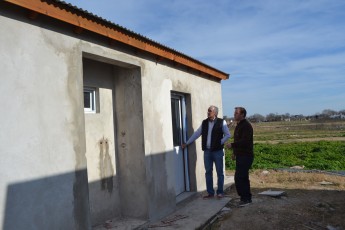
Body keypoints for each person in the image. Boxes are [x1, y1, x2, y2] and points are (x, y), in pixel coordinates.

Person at [182, 105, 231, 199]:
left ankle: (220, 192)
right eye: (208, 111)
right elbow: (197, 133)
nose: (208, 112)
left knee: (220, 172)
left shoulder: (221, 122)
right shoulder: (204, 123)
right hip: (207, 151)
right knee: (208, 172)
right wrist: (187, 143)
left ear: (215, 113)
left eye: (210, 111)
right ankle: (210, 193)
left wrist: (220, 142)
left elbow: (228, 135)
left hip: (218, 151)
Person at [227, 107, 254, 206]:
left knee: (240, 177)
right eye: (234, 113)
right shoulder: (239, 125)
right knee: (242, 177)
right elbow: (238, 139)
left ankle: (246, 199)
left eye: (236, 113)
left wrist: (233, 145)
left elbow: (244, 141)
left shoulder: (246, 126)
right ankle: (245, 198)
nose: (234, 114)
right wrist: (234, 153)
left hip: (246, 156)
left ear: (242, 114)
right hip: (240, 155)